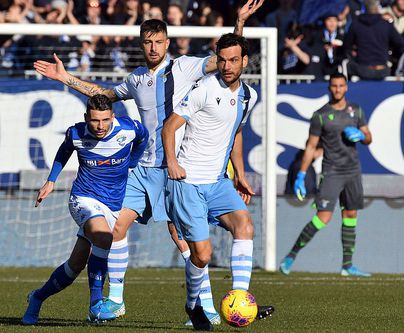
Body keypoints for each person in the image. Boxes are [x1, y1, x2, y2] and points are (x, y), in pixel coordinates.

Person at [32, 1, 269, 325]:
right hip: (143, 170)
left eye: (159, 41)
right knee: (116, 226)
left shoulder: (185, 68)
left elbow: (227, 60)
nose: (154, 47)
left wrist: (239, 22)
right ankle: (115, 300)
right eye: (148, 42)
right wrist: (66, 78)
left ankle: (207, 307)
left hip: (178, 169)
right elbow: (103, 94)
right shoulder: (136, 79)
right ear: (141, 44)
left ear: (167, 43)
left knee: (188, 241)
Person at [162, 33, 273, 331]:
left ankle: (239, 297)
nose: (226, 65)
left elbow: (236, 132)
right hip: (188, 183)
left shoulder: (250, 95)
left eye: (233, 60)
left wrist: (240, 175)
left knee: (245, 226)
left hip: (219, 181)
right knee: (203, 254)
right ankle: (192, 305)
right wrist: (172, 163)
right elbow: (169, 127)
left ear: (244, 62)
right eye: (222, 59)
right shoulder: (203, 90)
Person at [22, 94, 148, 324]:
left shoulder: (130, 129)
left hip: (112, 204)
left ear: (113, 117)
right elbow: (64, 152)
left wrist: (132, 164)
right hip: (83, 199)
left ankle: (37, 298)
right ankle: (96, 305)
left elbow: (143, 138)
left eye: (104, 120)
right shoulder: (76, 133)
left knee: (75, 266)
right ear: (85, 118)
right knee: (103, 237)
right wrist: (51, 180)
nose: (100, 126)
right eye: (94, 121)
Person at [279, 73, 373, 277]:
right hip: (332, 171)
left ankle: (347, 266)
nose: (337, 89)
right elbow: (311, 146)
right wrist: (301, 175)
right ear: (329, 88)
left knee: (350, 215)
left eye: (341, 86)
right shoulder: (320, 115)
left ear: (346, 88)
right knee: (323, 217)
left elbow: (368, 137)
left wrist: (361, 136)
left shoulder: (355, 110)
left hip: (353, 171)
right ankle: (290, 256)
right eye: (334, 86)